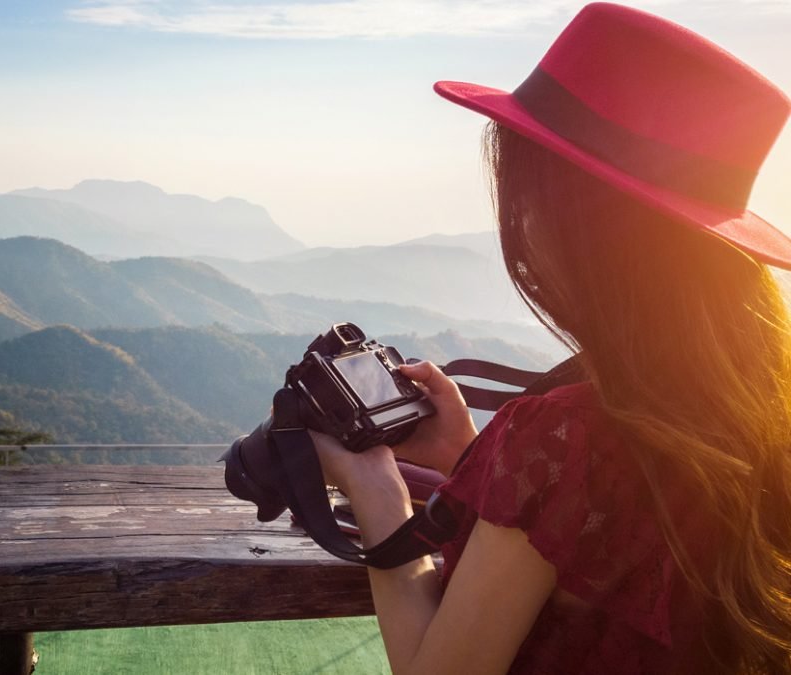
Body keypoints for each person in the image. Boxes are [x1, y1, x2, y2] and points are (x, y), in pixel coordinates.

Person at [310, 3, 791, 673]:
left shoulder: (567, 437)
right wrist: (476, 464)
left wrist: (375, 487)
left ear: (574, 221)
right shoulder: (760, 414)